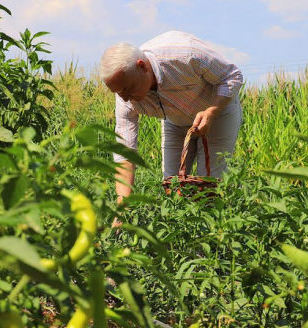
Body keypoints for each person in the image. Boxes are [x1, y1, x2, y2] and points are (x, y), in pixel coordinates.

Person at [99, 31, 243, 227]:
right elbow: (125, 153)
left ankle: (210, 245)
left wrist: (212, 111)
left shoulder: (185, 54)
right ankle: (177, 246)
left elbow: (232, 75)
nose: (124, 98)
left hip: (216, 113)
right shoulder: (125, 97)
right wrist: (122, 209)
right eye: (118, 92)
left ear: (142, 67)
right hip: (175, 121)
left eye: (127, 89)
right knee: (172, 185)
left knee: (208, 184)